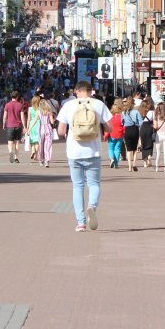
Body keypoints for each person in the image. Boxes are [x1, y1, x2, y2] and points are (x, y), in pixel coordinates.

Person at [56, 81, 112, 233]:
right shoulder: (99, 105)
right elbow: (109, 127)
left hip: (74, 152)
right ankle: (92, 207)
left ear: (76, 91)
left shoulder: (68, 105)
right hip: (93, 152)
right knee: (94, 184)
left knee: (77, 186)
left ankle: (80, 223)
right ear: (90, 91)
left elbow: (61, 131)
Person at [2, 90, 26, 163]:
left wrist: (4, 124)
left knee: (10, 142)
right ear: (17, 96)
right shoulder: (20, 105)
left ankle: (10, 152)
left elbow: (5, 116)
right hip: (18, 126)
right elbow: (22, 117)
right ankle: (16, 158)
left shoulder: (7, 105)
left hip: (10, 125)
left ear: (11, 96)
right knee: (17, 142)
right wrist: (24, 126)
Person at [122, 97, 143, 173]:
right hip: (135, 129)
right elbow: (141, 122)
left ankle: (129, 167)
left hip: (127, 130)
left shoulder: (123, 112)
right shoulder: (136, 112)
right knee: (134, 149)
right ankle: (134, 164)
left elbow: (122, 123)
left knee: (128, 149)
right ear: (133, 104)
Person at [105, 99, 125, 168]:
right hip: (120, 135)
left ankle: (112, 159)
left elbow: (107, 126)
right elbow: (124, 126)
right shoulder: (122, 117)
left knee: (111, 148)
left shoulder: (110, 117)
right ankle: (116, 164)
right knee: (117, 149)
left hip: (111, 134)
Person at [39, 94, 56, 167]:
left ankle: (41, 159)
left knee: (41, 145)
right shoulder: (49, 111)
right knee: (48, 145)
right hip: (48, 128)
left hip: (41, 128)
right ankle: (47, 160)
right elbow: (52, 122)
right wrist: (54, 119)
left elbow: (35, 120)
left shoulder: (39, 111)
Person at [138, 97, 155, 169]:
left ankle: (145, 162)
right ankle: (149, 156)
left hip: (142, 128)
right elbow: (154, 121)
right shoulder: (151, 112)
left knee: (143, 144)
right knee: (150, 143)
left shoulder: (140, 112)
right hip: (149, 127)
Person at [153, 102, 165, 173]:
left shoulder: (157, 116)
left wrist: (153, 126)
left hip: (158, 135)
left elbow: (155, 127)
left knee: (158, 152)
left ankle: (157, 167)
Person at [27, 95, 43, 161]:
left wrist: (27, 127)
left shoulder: (30, 109)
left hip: (31, 124)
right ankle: (35, 154)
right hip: (38, 124)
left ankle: (33, 150)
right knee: (37, 141)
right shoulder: (40, 108)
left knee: (32, 139)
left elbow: (29, 119)